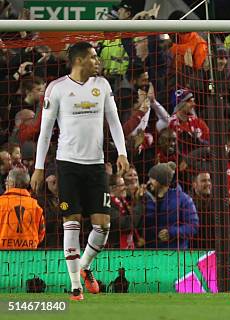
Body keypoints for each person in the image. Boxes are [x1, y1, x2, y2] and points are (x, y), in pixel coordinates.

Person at [30, 42, 129, 301]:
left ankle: (84, 266)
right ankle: (76, 287)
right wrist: (39, 167)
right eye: (94, 57)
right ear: (79, 61)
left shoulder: (103, 86)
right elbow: (44, 132)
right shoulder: (57, 89)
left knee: (103, 227)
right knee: (71, 224)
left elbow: (114, 121)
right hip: (68, 166)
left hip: (96, 166)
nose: (98, 61)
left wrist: (122, 152)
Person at [0, 168, 45, 249]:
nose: (5, 184)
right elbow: (41, 233)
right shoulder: (35, 206)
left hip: (3, 256)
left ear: (12, 183)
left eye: (6, 181)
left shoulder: (1, 203)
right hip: (28, 256)